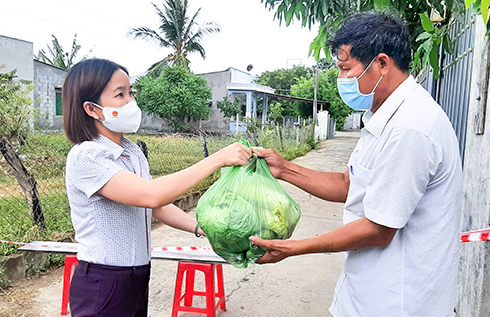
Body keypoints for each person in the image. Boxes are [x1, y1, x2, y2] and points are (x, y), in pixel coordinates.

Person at [250, 12, 462, 317]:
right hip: (367, 293)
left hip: (399, 303)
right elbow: (351, 185)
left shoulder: (411, 128)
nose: (342, 80)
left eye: (346, 69)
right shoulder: (383, 116)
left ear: (381, 64)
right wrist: (284, 169)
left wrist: (294, 248)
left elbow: (379, 228)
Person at [62, 58, 252, 317]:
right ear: (92, 109)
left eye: (131, 93)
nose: (131, 102)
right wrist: (217, 159)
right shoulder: (87, 156)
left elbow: (157, 206)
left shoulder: (131, 151)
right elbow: (151, 195)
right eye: (120, 94)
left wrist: (201, 228)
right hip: (103, 279)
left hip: (138, 273)